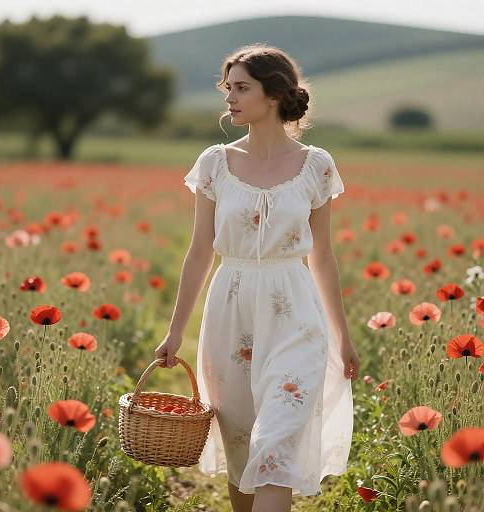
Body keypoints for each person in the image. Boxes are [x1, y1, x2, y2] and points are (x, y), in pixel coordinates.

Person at [154, 43, 360, 512]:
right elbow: (200, 250)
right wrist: (175, 330)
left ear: (274, 95)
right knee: (242, 444)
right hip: (232, 308)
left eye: (242, 88)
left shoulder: (317, 165)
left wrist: (342, 338)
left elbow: (323, 257)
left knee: (277, 442)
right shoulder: (214, 163)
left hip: (296, 313)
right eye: (228, 88)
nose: (230, 97)